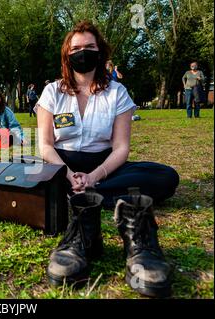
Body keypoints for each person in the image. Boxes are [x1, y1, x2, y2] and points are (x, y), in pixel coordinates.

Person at [36, 21, 179, 298]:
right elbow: (45, 145)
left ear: (100, 52)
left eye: (90, 47)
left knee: (165, 176)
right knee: (26, 171)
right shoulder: (52, 91)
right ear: (67, 54)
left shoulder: (117, 92)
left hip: (106, 167)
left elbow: (121, 148)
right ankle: (88, 195)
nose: (83, 52)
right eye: (76, 48)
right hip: (61, 163)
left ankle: (87, 197)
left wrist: (93, 177)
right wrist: (68, 174)